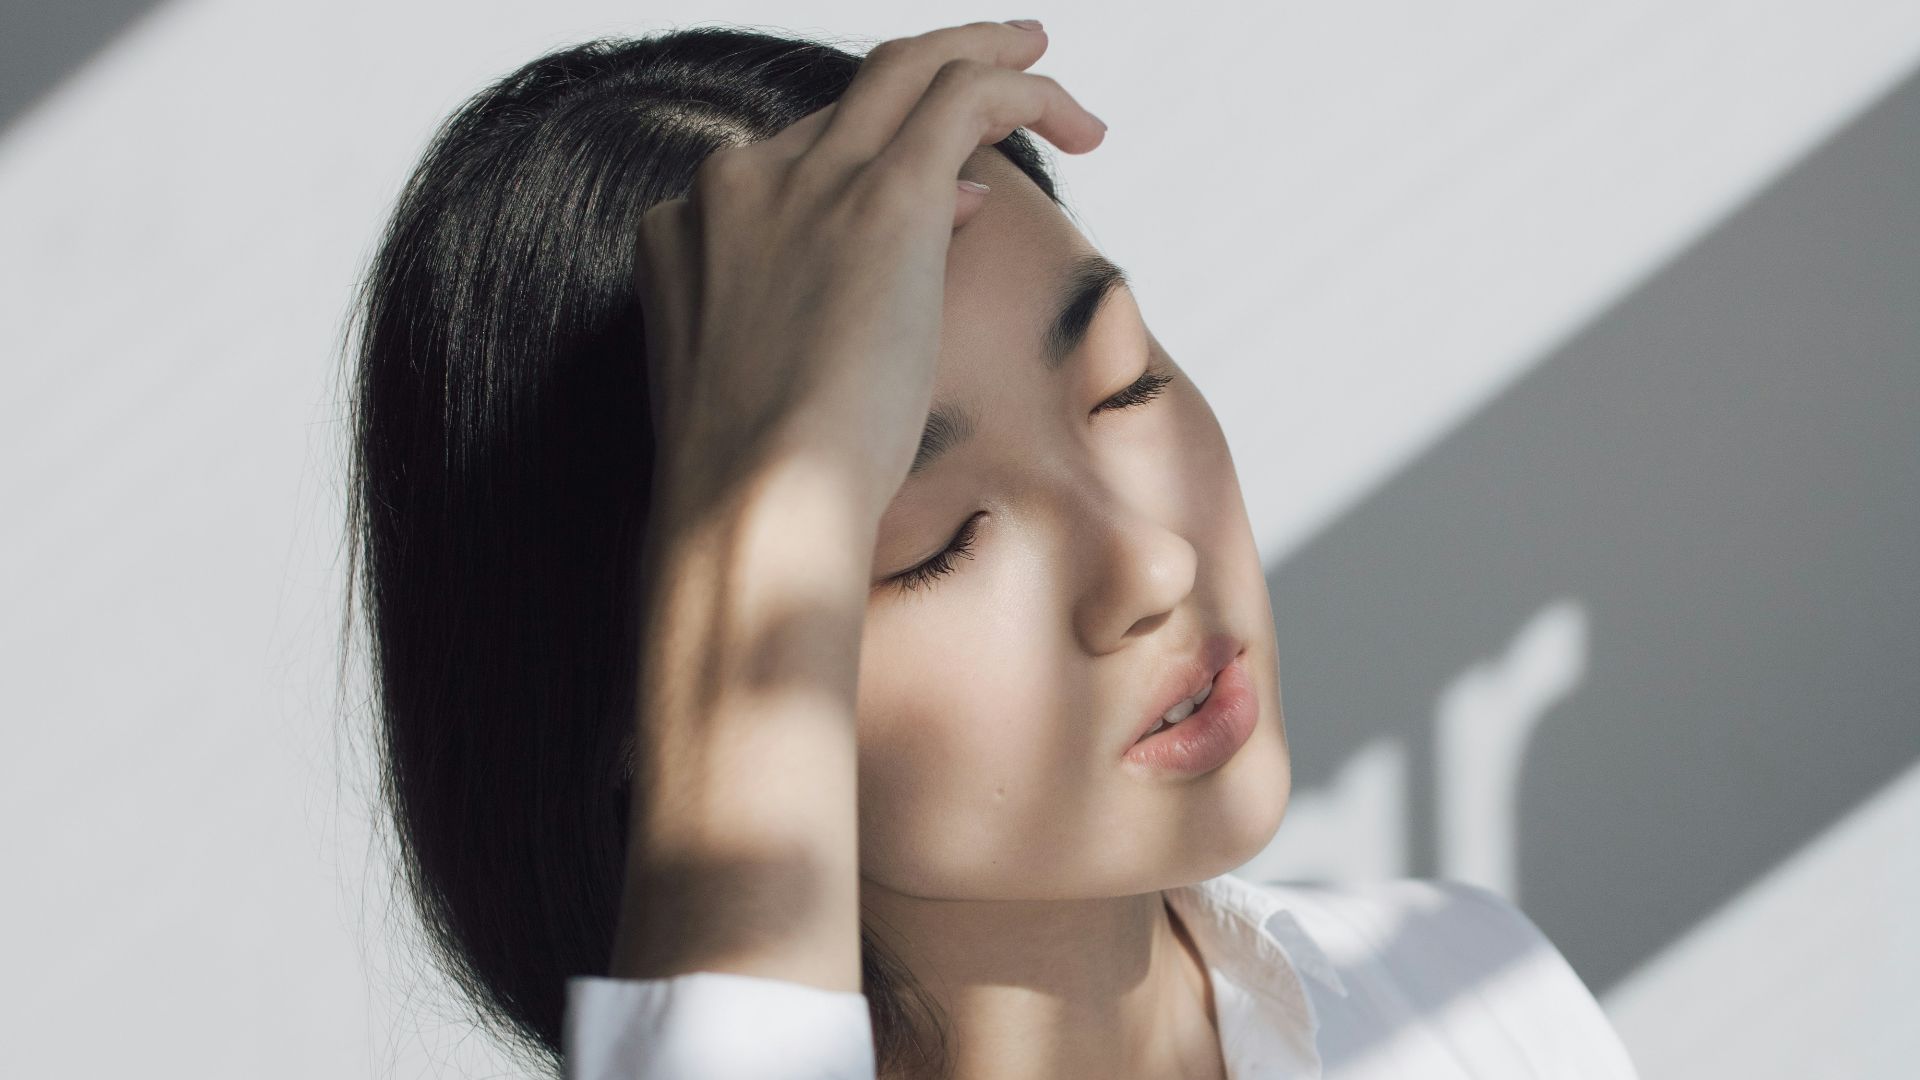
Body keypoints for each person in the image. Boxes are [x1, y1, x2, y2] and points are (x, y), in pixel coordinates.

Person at [342, 17, 1641, 1080]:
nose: (1151, 566)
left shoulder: (1471, 1002)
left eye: (1126, 383)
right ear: (652, 696)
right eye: (933, 542)